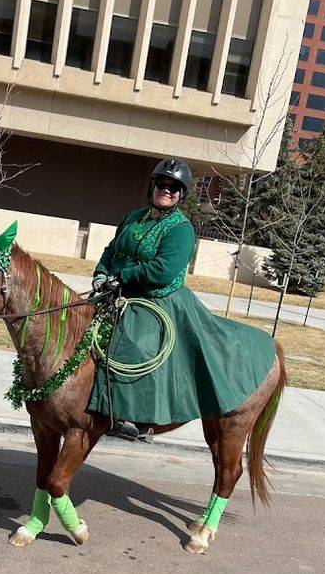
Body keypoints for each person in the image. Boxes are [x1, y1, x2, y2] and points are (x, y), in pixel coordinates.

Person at [88, 158, 277, 440]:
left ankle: (136, 418)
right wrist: (102, 274)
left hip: (159, 299)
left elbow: (162, 271)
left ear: (181, 194)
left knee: (139, 346)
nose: (167, 190)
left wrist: (122, 276)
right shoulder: (133, 218)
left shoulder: (181, 229)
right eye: (162, 184)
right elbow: (111, 250)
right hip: (117, 291)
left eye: (174, 187)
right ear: (152, 187)